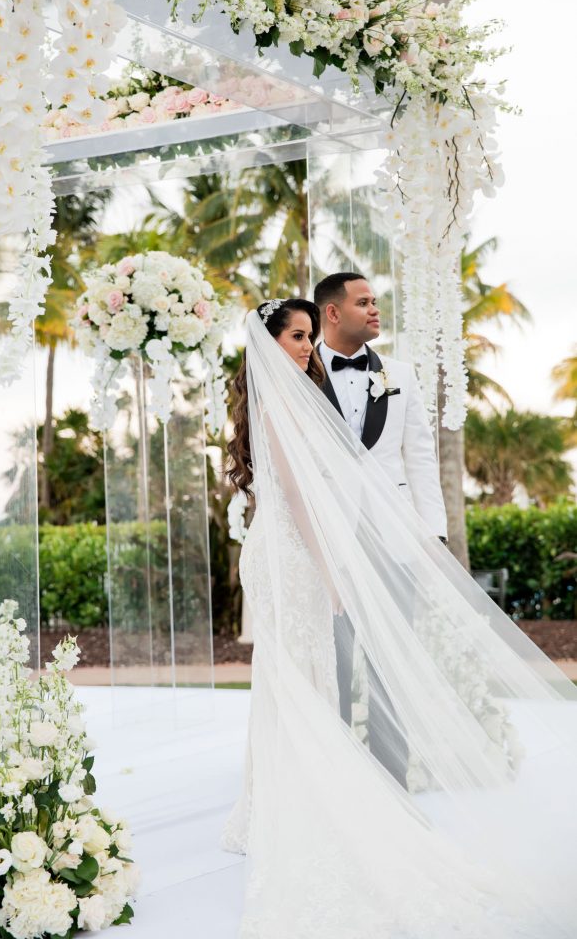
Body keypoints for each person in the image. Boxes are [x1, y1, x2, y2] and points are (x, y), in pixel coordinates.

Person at [224, 297, 577, 939]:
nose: (305, 348)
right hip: (296, 554)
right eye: (296, 336)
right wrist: (333, 567)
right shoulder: (280, 401)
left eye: (308, 336)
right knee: (297, 673)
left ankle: (281, 799)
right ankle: (296, 802)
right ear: (268, 340)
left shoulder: (283, 397)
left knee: (294, 673)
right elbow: (299, 494)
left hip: (288, 548)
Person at [314, 271, 445, 781]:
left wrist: (431, 534)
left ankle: (393, 784)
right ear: (332, 311)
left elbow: (421, 457)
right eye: (363, 301)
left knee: (392, 663)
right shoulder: (300, 373)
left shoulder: (402, 374)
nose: (375, 310)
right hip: (325, 538)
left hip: (393, 538)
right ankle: (337, 782)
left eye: (376, 301)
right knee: (332, 661)